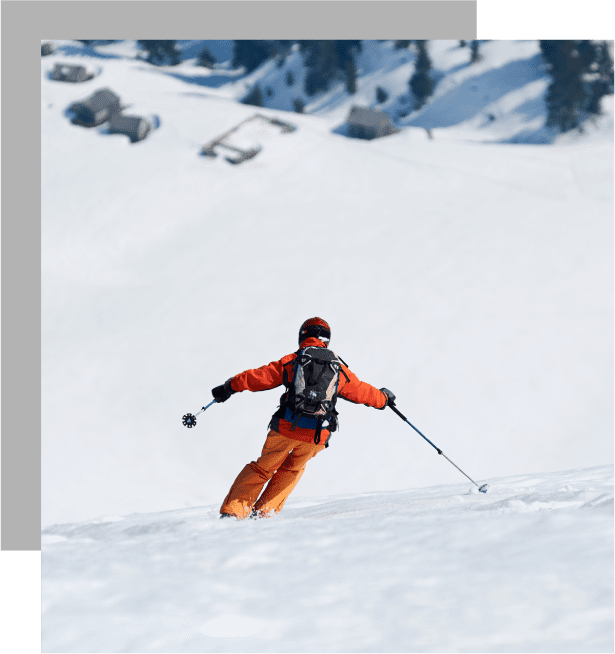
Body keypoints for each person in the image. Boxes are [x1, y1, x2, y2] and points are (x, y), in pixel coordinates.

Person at [211, 317, 396, 520]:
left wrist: (229, 386)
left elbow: (259, 377)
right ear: (327, 340)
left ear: (303, 336)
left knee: (262, 469)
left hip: (286, 427)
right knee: (292, 470)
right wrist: (384, 398)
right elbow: (361, 391)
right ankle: (264, 514)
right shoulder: (337, 366)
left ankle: (233, 512)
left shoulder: (294, 360)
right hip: (316, 435)